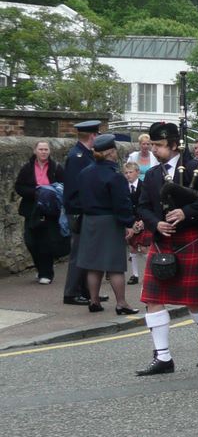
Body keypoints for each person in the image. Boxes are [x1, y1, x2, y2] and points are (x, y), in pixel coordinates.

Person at [135, 122, 198, 376]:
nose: (155, 149)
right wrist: (156, 224)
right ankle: (163, 357)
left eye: (160, 145)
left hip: (189, 239)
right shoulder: (151, 175)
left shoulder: (195, 168)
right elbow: (142, 207)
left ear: (174, 145)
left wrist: (185, 212)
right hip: (163, 242)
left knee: (195, 302)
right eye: (152, 144)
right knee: (152, 298)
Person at [77, 134, 138, 315]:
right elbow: (121, 203)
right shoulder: (115, 177)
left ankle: (94, 301)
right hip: (109, 221)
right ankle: (121, 303)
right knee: (115, 265)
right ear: (111, 152)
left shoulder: (85, 172)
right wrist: (129, 223)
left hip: (89, 220)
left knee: (93, 264)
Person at [15, 140, 66, 285]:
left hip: (50, 209)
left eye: (46, 149)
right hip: (31, 209)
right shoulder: (27, 168)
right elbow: (19, 187)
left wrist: (52, 191)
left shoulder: (56, 168)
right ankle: (40, 267)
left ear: (49, 151)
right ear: (35, 151)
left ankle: (46, 273)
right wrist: (36, 191)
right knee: (30, 241)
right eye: (41, 149)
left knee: (46, 242)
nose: (44, 152)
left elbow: (64, 186)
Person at [63, 120, 102, 306]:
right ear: (92, 136)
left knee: (87, 253)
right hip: (78, 211)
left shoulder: (85, 154)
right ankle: (71, 292)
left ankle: (87, 291)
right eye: (97, 135)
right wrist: (80, 210)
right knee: (78, 253)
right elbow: (75, 188)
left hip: (83, 210)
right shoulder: (78, 156)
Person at [124, 161, 150, 285]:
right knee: (132, 248)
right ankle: (135, 275)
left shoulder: (144, 186)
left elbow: (147, 205)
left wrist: (143, 221)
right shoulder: (123, 188)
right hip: (130, 221)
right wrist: (130, 222)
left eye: (130, 172)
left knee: (145, 248)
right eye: (126, 173)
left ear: (137, 172)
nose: (128, 175)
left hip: (143, 221)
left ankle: (150, 273)